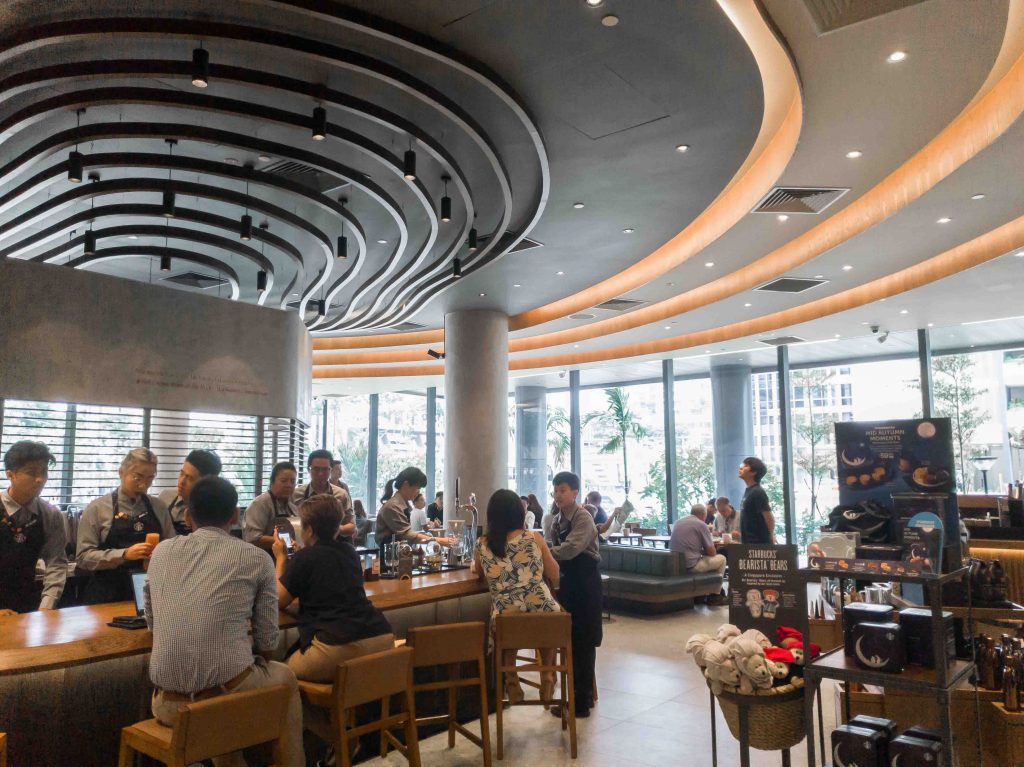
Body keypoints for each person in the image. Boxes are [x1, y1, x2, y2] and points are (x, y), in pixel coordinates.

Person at [145, 476, 303, 767]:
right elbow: (269, 643)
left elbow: (153, 625)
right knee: (285, 678)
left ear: (188, 515)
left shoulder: (160, 554)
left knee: (225, 713)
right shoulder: (256, 558)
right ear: (235, 515)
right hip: (224, 700)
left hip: (166, 705)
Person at [476, 489, 560, 704]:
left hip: (507, 617)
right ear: (519, 513)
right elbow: (555, 573)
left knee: (509, 620)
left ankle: (511, 677)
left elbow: (478, 571)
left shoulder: (482, 544)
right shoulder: (534, 538)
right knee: (547, 619)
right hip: (543, 611)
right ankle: (548, 673)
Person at [77, 447, 175, 604]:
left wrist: (158, 557)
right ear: (121, 472)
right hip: (107, 594)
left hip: (148, 594)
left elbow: (173, 548)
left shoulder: (159, 507)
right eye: (138, 477)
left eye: (150, 478)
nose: (144, 485)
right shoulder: (98, 508)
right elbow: (83, 558)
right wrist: (123, 555)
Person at [546, 471, 602, 719]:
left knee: (584, 640)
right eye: (556, 490)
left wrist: (545, 553)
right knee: (572, 639)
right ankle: (578, 698)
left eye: (563, 490)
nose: (558, 495)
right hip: (569, 583)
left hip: (586, 581)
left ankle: (581, 702)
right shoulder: (556, 519)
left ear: (575, 492)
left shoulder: (583, 518)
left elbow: (570, 550)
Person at [1, 441, 67, 614]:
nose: (40, 479)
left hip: (29, 605)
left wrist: (47, 606)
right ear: (10, 474)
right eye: (31, 473)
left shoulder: (50, 514)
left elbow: (56, 563)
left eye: (44, 472)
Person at [375, 467, 453, 546]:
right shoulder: (393, 506)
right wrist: (441, 540)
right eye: (418, 488)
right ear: (406, 485)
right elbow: (407, 535)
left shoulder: (403, 505)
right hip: (389, 556)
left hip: (400, 554)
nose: (418, 492)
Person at [157, 449, 221, 536]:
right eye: (181, 474)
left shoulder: (216, 507)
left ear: (205, 483)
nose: (181, 481)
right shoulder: (165, 497)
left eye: (190, 478)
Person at [293, 449, 355, 538]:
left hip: (334, 546)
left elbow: (352, 526)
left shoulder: (341, 495)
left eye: (325, 469)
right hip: (304, 546)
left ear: (331, 470)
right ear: (308, 470)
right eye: (316, 469)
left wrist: (334, 529)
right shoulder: (296, 494)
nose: (321, 474)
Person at [244, 461, 300, 552]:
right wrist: (286, 541)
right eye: (284, 481)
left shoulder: (293, 508)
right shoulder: (259, 504)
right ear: (272, 482)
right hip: (263, 558)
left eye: (292, 481)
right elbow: (253, 538)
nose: (289, 485)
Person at [670, 504, 727, 585]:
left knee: (707, 560)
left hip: (675, 565)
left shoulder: (678, 522)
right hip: (690, 566)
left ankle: (704, 588)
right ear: (704, 515)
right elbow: (712, 553)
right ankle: (716, 593)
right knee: (722, 559)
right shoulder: (701, 524)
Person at [739, 457, 776, 544]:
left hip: (757, 544)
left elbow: (769, 518)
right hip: (747, 542)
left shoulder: (758, 492)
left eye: (746, 466)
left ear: (753, 472)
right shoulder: (749, 491)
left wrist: (770, 537)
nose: (741, 468)